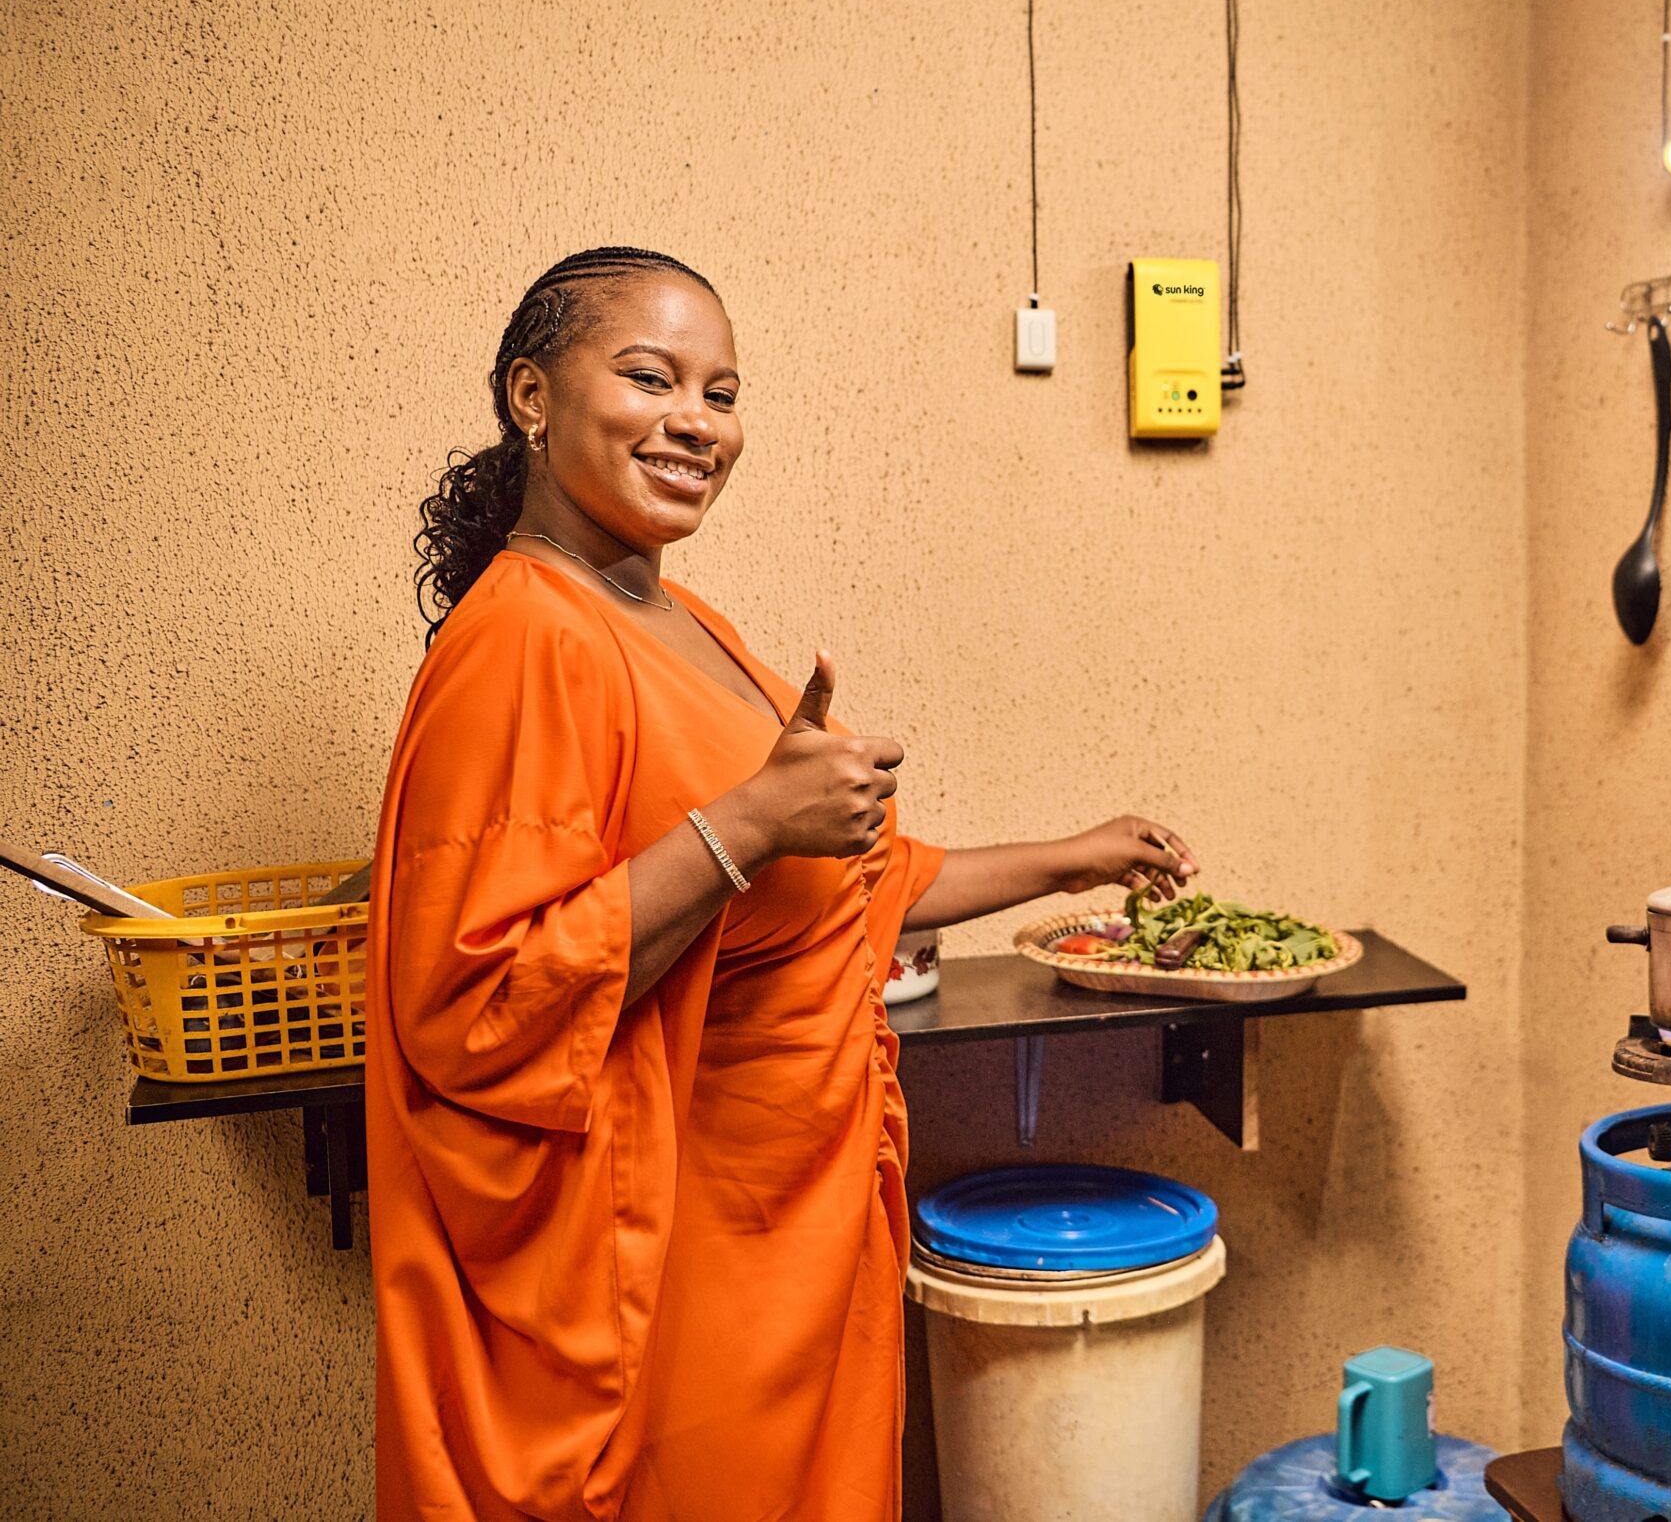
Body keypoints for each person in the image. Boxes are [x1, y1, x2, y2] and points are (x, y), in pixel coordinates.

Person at [369, 246, 1197, 1521]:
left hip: (792, 1230)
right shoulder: (529, 633)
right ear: (531, 395)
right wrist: (752, 819)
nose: (695, 421)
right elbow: (480, 1001)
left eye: (722, 392)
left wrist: (1073, 854)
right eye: (650, 377)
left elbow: (844, 887)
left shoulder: (676, 615)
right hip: (680, 1266)